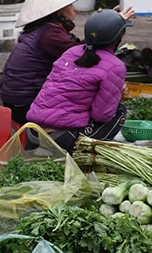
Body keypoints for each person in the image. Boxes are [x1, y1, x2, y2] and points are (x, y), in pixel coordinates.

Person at [0, 0, 134, 124]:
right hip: (26, 103)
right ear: (56, 11)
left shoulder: (42, 30)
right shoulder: (50, 36)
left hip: (17, 99)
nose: (76, 9)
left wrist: (106, 24)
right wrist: (108, 28)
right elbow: (87, 56)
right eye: (70, 5)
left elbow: (85, 49)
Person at [28, 10, 131, 153]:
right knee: (119, 110)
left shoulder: (71, 52)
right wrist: (116, 94)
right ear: (118, 38)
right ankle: (83, 157)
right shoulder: (115, 66)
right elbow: (101, 115)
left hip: (32, 133)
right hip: (62, 139)